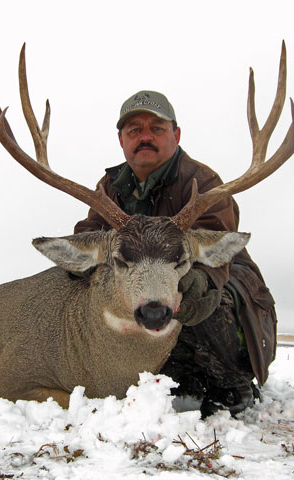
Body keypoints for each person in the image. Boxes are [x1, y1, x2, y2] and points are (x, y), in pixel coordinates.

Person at [74, 90, 277, 416]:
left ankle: (233, 382)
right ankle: (178, 376)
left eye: (157, 128)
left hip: (225, 281)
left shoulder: (202, 182)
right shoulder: (110, 188)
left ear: (176, 135)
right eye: (134, 130)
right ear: (121, 140)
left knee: (191, 292)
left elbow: (221, 249)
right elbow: (88, 235)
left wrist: (198, 279)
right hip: (146, 295)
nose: (145, 137)